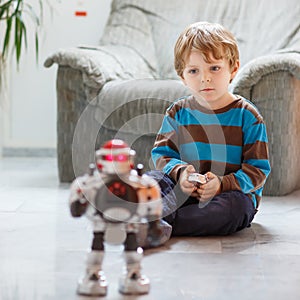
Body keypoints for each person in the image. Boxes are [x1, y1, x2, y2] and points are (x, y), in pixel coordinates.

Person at [148, 22, 271, 236]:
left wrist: (222, 184)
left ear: (233, 69)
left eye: (214, 68)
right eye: (194, 71)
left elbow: (257, 171)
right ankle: (159, 218)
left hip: (228, 196)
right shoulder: (177, 112)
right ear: (182, 76)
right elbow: (162, 156)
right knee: (152, 180)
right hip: (183, 192)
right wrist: (182, 173)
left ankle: (158, 221)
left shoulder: (248, 116)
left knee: (236, 208)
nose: (205, 78)